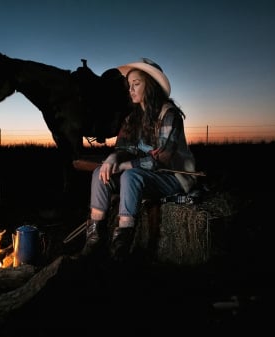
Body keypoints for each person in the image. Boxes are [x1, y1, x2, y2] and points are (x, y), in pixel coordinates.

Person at [81, 57, 197, 262]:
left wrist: (125, 165)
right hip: (142, 174)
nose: (131, 90)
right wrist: (112, 158)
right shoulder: (132, 117)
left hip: (171, 177)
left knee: (130, 176)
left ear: (150, 86)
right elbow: (123, 149)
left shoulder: (169, 115)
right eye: (129, 85)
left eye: (137, 84)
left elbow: (161, 160)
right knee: (100, 172)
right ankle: (93, 242)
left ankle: (121, 249)